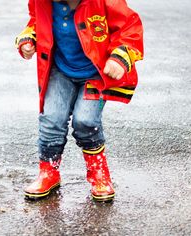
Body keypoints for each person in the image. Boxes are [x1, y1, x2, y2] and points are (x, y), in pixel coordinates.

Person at [15, 0, 143, 202]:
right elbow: (37, 22)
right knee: (51, 119)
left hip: (96, 74)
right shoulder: (42, 2)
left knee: (86, 121)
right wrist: (29, 39)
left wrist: (119, 57)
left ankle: (99, 173)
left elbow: (129, 27)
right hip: (61, 70)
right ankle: (48, 173)